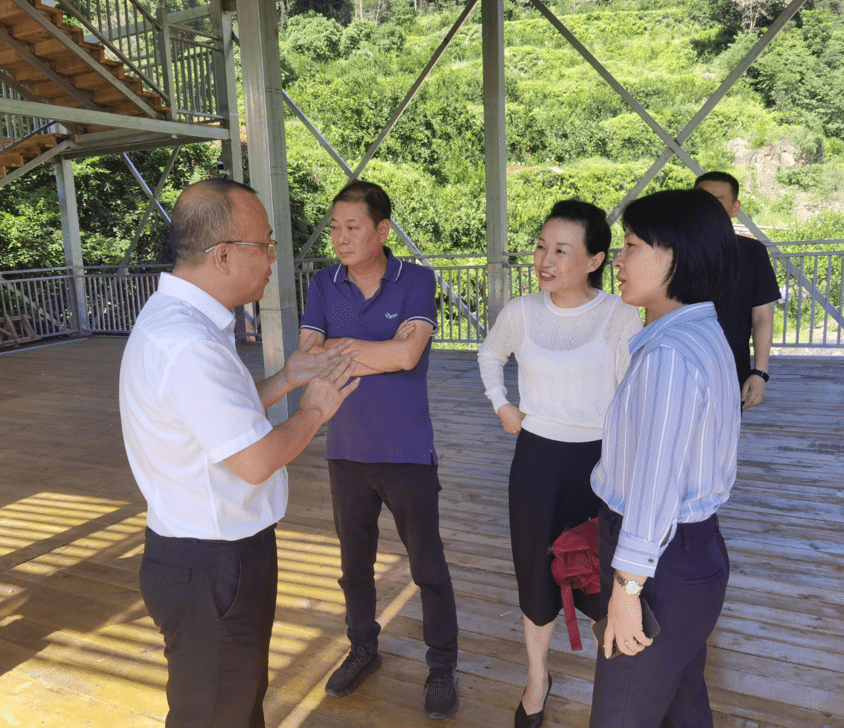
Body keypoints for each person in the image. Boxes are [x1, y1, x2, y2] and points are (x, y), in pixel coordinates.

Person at [118, 179, 360, 728]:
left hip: (208, 555)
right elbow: (252, 459)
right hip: (211, 564)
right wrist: (315, 409)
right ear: (224, 254)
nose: (274, 257)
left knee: (234, 700)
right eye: (266, 244)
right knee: (216, 714)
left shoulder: (181, 322)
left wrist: (286, 380)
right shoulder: (190, 343)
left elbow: (210, 423)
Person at [476, 199, 642, 728]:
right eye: (541, 247)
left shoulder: (619, 316)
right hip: (537, 460)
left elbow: (633, 397)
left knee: (600, 573)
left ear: (596, 260)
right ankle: (536, 677)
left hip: (600, 464)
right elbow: (488, 354)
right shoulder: (522, 312)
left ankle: (610, 686)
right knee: (535, 572)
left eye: (561, 250)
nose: (544, 259)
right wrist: (501, 403)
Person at [298, 180, 460, 719]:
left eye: (353, 228)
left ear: (382, 230)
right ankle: (363, 648)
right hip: (345, 449)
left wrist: (345, 353)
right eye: (335, 228)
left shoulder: (415, 278)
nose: (340, 238)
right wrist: (382, 353)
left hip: (407, 450)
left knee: (427, 567)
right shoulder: (323, 282)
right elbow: (309, 358)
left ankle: (442, 666)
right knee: (354, 566)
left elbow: (411, 355)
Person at [589, 188, 741, 727]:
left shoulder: (671, 355)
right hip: (685, 555)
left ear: (673, 256)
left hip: (659, 565)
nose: (620, 262)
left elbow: (656, 485)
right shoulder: (701, 332)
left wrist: (627, 589)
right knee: (681, 703)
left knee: (620, 716)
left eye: (631, 246)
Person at [694, 171, 781, 410]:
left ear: (735, 207)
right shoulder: (671, 251)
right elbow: (654, 310)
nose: (709, 207)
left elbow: (762, 316)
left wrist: (760, 373)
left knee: (724, 443)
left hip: (731, 367)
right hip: (678, 363)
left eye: (718, 200)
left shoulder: (752, 252)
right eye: (702, 199)